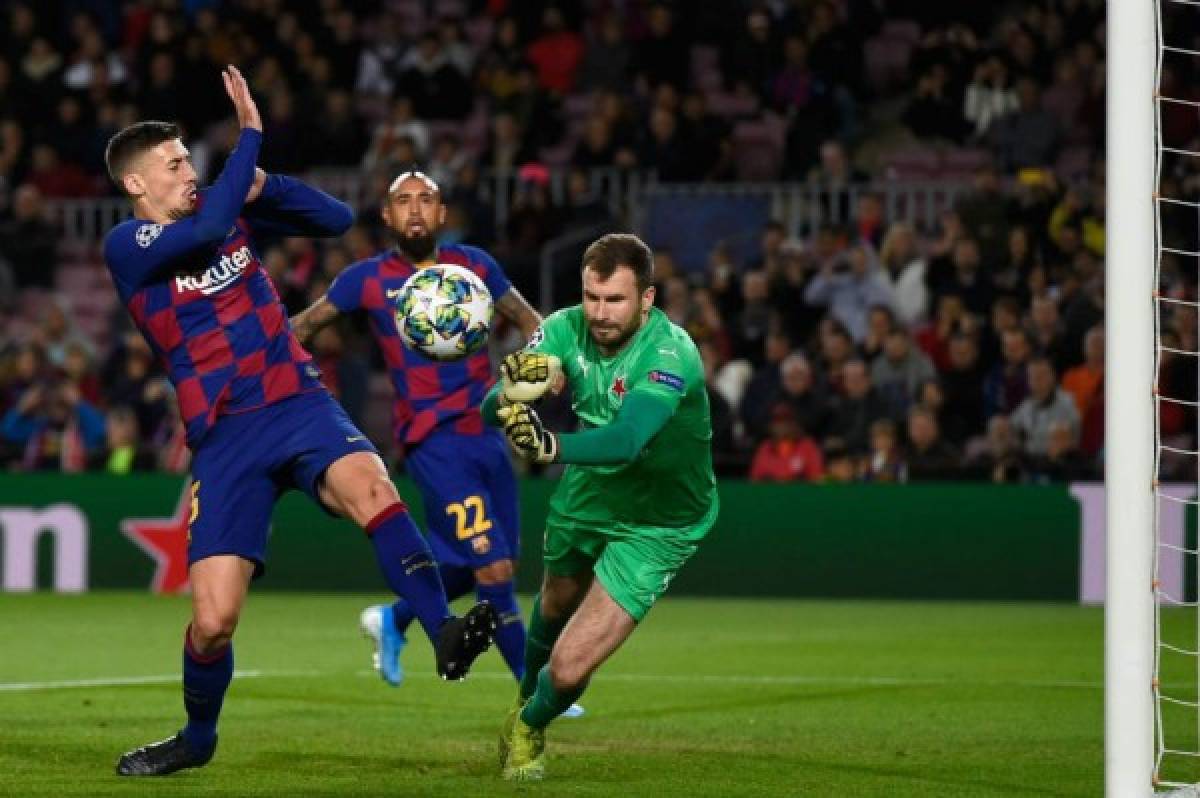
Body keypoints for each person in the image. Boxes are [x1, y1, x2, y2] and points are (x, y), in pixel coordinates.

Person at [101, 66, 495, 777]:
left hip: (297, 401)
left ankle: (442, 628)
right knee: (215, 622)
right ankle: (198, 737)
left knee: (373, 485)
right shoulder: (128, 248)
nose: (190, 170)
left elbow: (337, 220)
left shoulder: (228, 210)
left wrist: (263, 182)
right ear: (137, 186)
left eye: (191, 158)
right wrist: (249, 133)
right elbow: (212, 225)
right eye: (174, 163)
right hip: (225, 437)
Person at [289, 170, 580, 719]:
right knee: (492, 572)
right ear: (387, 216)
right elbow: (304, 325)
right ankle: (536, 693)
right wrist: (255, 361)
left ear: (443, 214)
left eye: (426, 200)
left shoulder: (475, 265)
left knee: (483, 569)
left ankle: (392, 620)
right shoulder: (367, 280)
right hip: (431, 444)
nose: (416, 210)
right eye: (403, 201)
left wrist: (551, 355)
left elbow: (527, 318)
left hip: (488, 437)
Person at [483, 233, 719, 781]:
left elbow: (630, 437)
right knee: (553, 603)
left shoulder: (670, 352)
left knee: (566, 670)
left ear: (647, 299)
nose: (600, 312)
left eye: (614, 300)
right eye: (592, 296)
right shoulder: (563, 329)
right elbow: (486, 409)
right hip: (589, 495)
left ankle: (530, 725)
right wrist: (524, 385)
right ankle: (523, 700)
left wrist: (552, 446)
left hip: (660, 520)